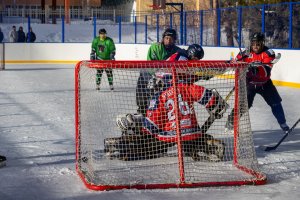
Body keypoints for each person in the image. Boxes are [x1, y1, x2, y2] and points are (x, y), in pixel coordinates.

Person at [105, 79, 228, 162]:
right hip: (191, 132)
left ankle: (121, 146)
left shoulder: (158, 97)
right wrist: (216, 105)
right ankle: (207, 146)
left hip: (169, 136)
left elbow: (151, 126)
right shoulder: (184, 86)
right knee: (191, 143)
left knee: (150, 146)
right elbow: (206, 95)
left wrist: (137, 127)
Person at [225, 32, 289, 132]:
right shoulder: (246, 52)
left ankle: (283, 123)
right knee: (244, 105)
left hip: (264, 83)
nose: (255, 46)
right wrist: (233, 63)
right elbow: (236, 62)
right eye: (253, 43)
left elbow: (266, 71)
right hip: (249, 84)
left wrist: (256, 68)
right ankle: (231, 121)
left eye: (258, 44)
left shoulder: (268, 53)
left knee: (275, 102)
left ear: (262, 43)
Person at [136, 28, 182, 115]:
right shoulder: (155, 47)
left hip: (167, 78)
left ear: (174, 40)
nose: (168, 40)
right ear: (163, 38)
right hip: (152, 75)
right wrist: (156, 77)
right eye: (166, 38)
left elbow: (187, 58)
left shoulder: (178, 51)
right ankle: (141, 108)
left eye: (171, 39)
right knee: (143, 76)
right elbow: (150, 65)